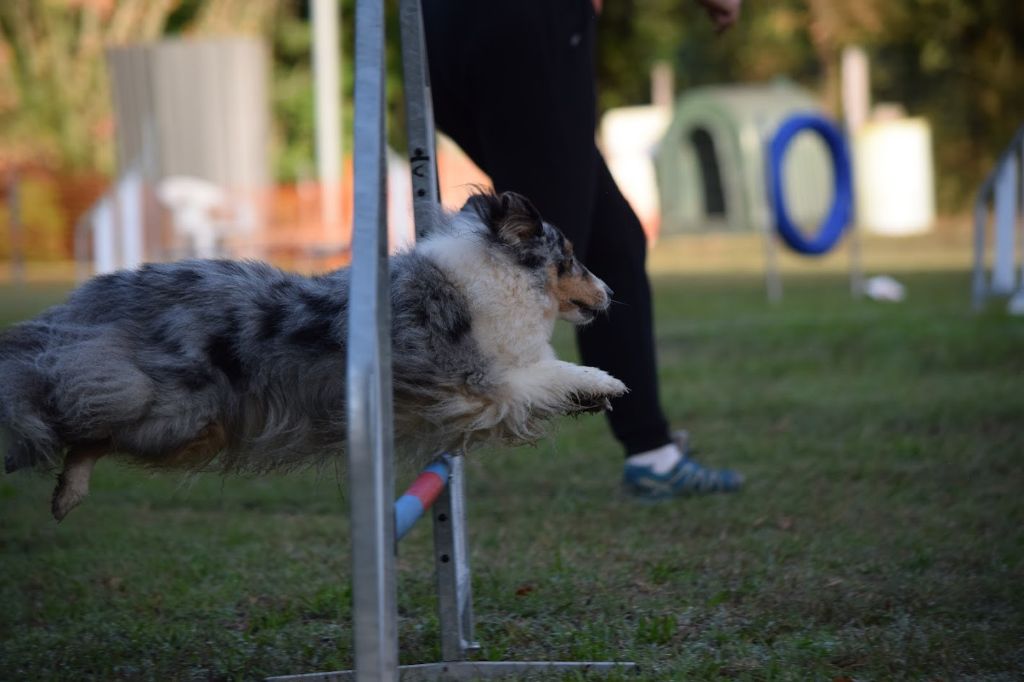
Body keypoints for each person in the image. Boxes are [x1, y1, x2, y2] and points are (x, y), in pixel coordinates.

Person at [421, 0, 744, 499]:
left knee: (611, 243)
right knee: (541, 263)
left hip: (438, 25)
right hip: (530, 24)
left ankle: (651, 452)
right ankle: (402, 393)